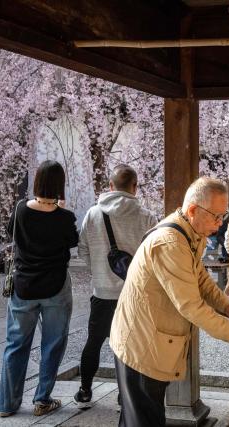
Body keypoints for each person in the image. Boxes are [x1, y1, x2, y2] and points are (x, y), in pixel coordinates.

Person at [109, 177, 229, 426]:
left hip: (152, 341)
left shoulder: (190, 232)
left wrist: (227, 306)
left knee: (137, 417)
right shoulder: (170, 243)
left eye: (223, 217)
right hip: (140, 345)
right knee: (144, 419)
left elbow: (199, 277)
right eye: (216, 217)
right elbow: (191, 306)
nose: (219, 225)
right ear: (193, 210)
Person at [0, 160, 78, 418]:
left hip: (24, 287)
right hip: (55, 287)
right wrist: (59, 210)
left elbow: (11, 233)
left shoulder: (21, 209)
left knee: (16, 345)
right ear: (59, 185)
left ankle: (7, 405)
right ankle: (42, 399)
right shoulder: (65, 217)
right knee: (53, 344)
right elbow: (73, 241)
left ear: (36, 181)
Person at [74, 165, 156, 408]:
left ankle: (86, 390)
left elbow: (82, 249)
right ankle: (125, 395)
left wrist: (99, 271)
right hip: (134, 294)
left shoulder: (93, 214)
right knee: (130, 346)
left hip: (102, 292)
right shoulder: (146, 216)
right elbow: (153, 255)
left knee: (94, 342)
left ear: (110, 186)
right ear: (135, 187)